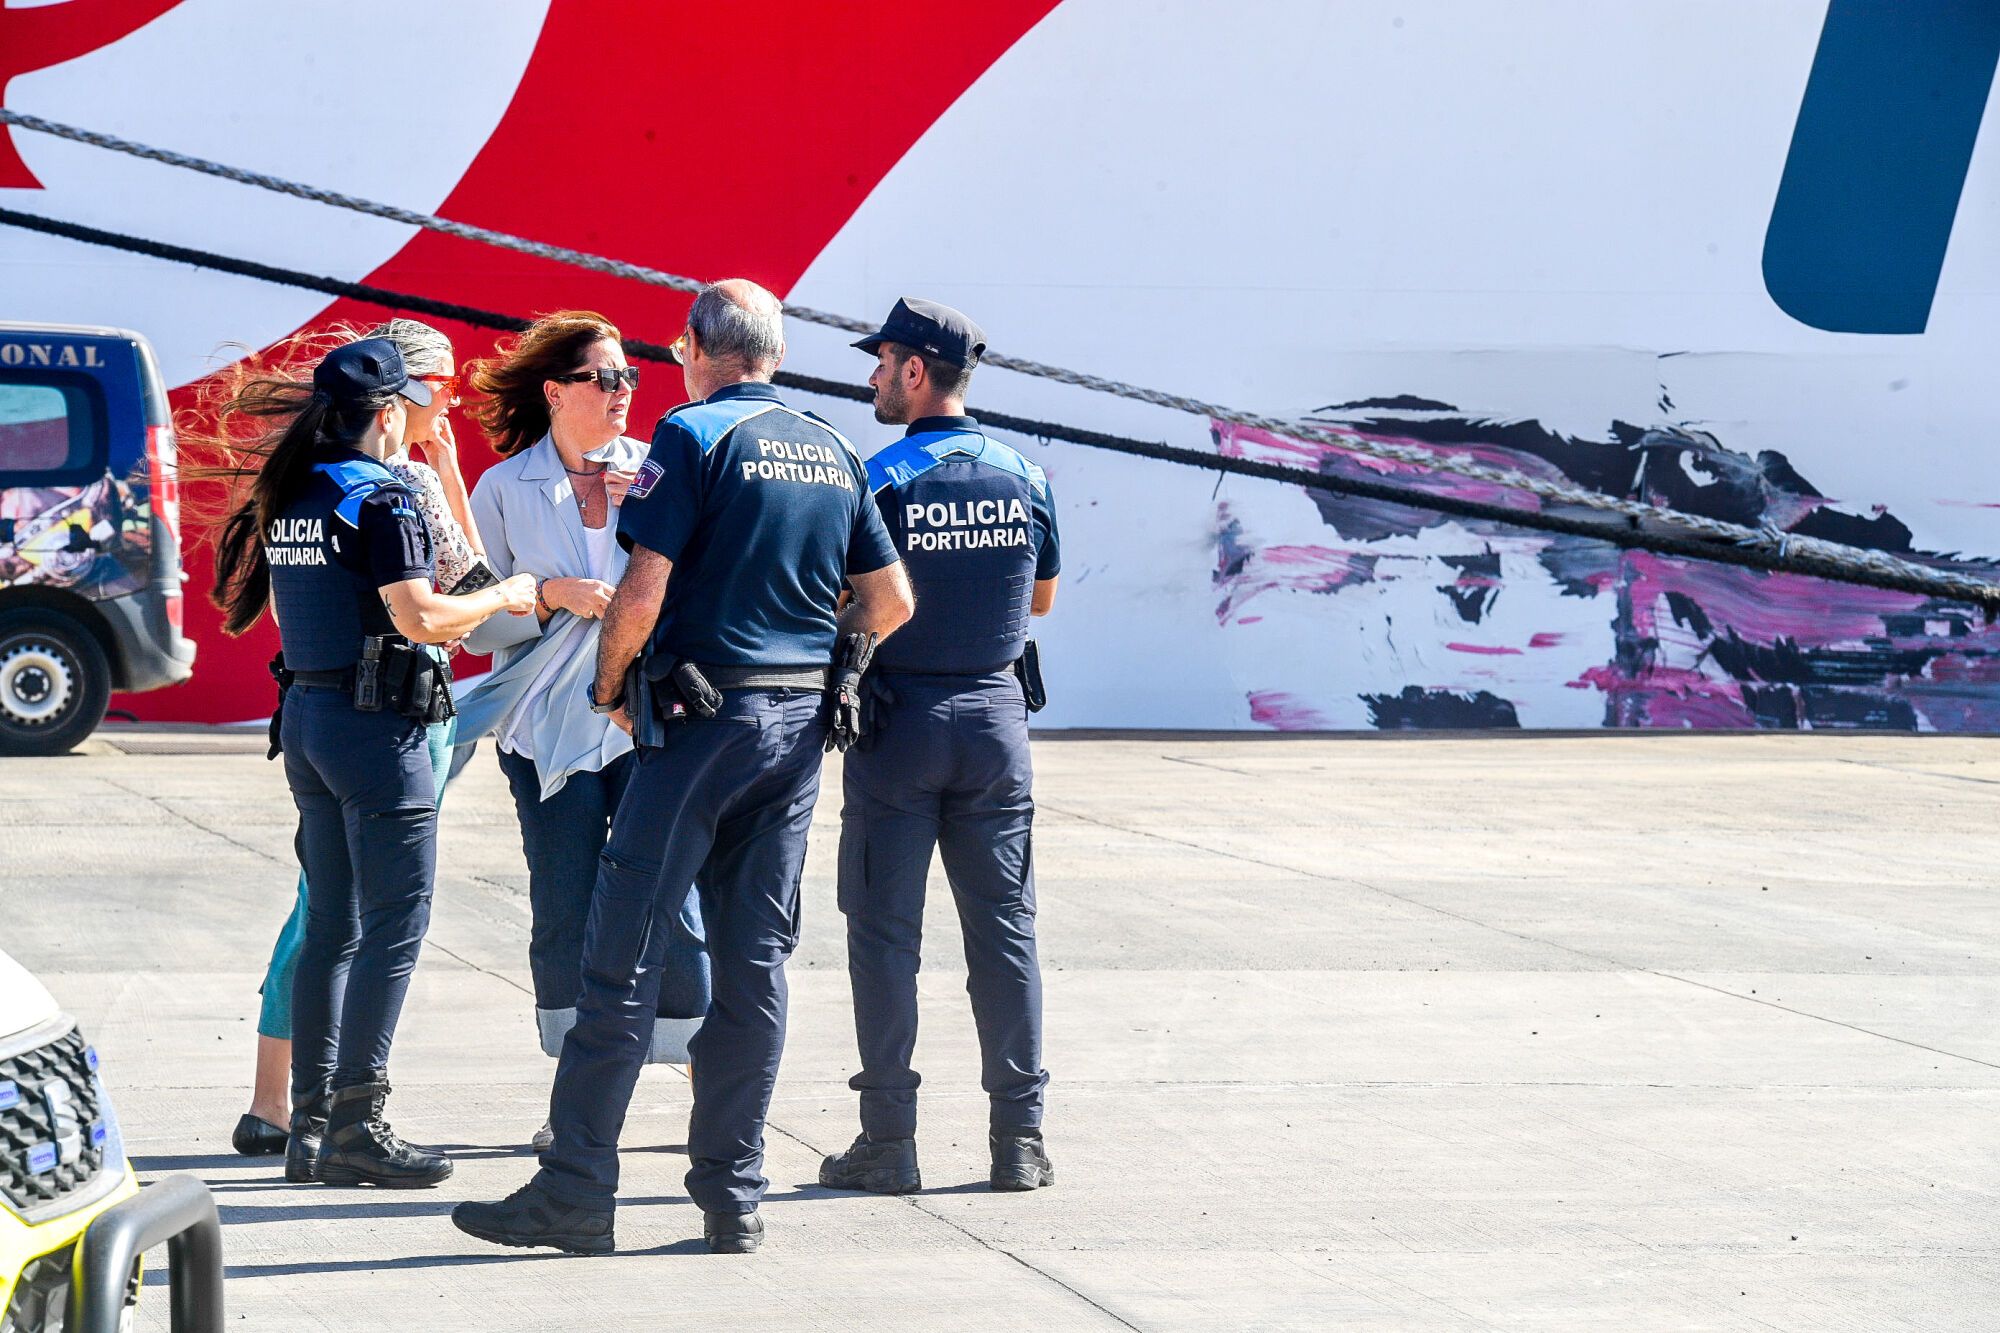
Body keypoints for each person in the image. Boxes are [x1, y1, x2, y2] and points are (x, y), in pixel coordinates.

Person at [453, 278, 914, 1255]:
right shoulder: (832, 448)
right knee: (753, 964)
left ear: (696, 350)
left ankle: (576, 1188)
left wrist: (611, 684)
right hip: (793, 733)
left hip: (700, 722)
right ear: (775, 355)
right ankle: (732, 1196)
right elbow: (889, 601)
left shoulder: (693, 436)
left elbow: (639, 592)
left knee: (620, 952)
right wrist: (818, 661)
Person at [207, 337, 536, 1188]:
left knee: (332, 925)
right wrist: (507, 593)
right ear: (390, 412)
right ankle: (361, 1120)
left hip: (310, 719)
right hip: (376, 731)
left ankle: (311, 1124)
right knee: (395, 923)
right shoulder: (382, 499)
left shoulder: (297, 492)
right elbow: (424, 617)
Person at [817, 298, 1061, 1195]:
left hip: (899, 724)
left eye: (882, 362)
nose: (873, 376)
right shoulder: (1025, 475)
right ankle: (1020, 1141)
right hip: (997, 722)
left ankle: (889, 1140)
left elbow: (848, 601)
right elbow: (1040, 601)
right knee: (1005, 934)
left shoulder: (876, 477)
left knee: (884, 936)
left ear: (916, 371)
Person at [451, 312, 694, 1154]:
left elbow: (700, 591)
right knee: (564, 907)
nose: (625, 391)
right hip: (543, 730)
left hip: (643, 719)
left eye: (630, 375)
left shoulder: (660, 472)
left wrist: (653, 532)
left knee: (672, 895)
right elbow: (474, 630)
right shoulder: (502, 488)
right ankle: (574, 1102)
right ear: (556, 392)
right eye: (606, 377)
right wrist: (547, 592)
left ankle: (707, 1084)